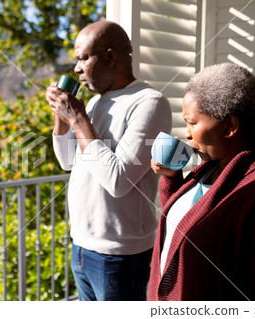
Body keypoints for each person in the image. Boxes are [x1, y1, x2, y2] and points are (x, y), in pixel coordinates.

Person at [148, 63, 255, 301]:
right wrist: (172, 178)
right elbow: (184, 226)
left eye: (192, 123)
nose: (186, 134)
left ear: (230, 127)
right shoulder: (208, 169)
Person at [45, 20, 172, 301]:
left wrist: (78, 119)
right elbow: (68, 161)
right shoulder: (94, 103)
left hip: (120, 256)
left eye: (82, 58)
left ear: (110, 57)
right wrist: (62, 117)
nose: (76, 68)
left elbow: (118, 180)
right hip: (80, 247)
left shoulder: (149, 102)